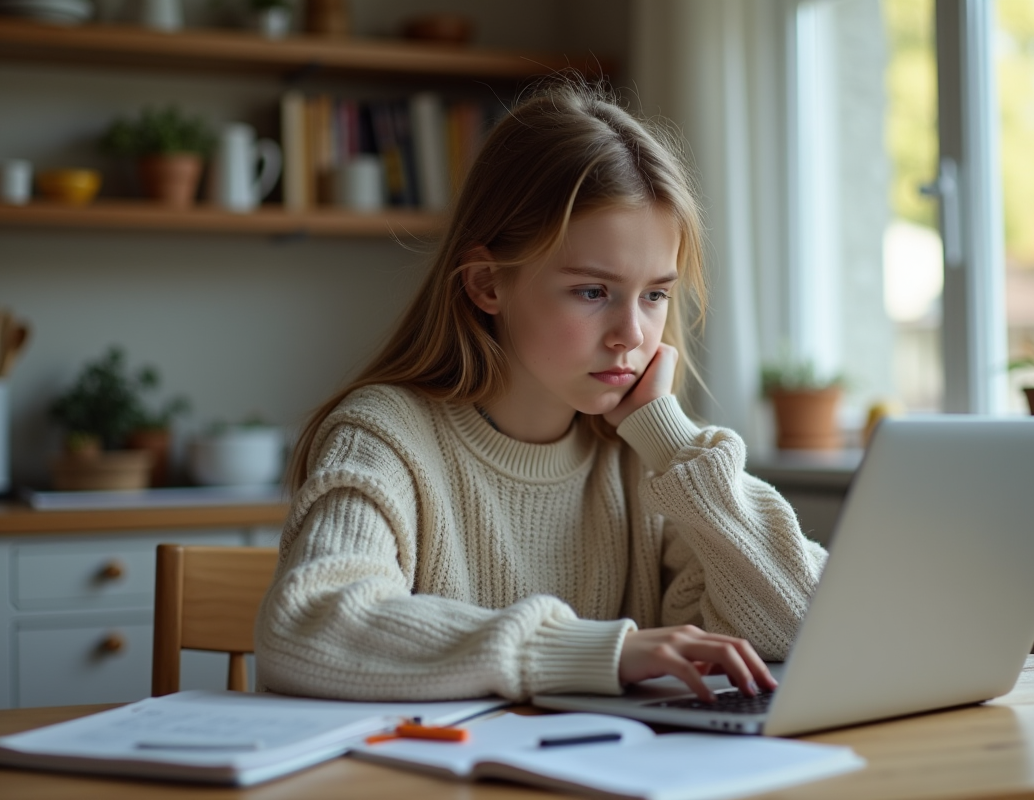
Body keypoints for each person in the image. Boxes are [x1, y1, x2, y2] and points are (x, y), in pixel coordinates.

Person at [254, 78, 828, 705]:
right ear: (487, 284)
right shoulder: (384, 434)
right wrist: (588, 650)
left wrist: (674, 442)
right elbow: (308, 625)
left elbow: (805, 624)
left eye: (655, 294)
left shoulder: (648, 460)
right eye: (592, 291)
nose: (630, 335)